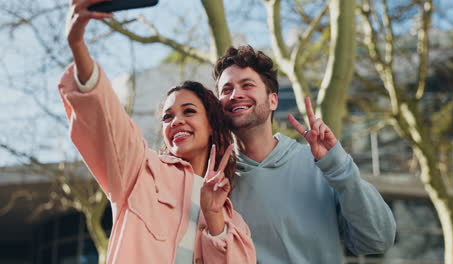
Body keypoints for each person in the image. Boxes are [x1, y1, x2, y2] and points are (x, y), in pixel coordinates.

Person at [58, 1, 255, 263]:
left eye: (189, 111)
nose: (176, 122)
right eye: (167, 116)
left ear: (212, 126)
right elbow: (108, 120)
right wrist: (77, 45)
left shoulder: (235, 223)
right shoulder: (139, 172)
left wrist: (214, 218)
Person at [213, 45, 396, 263]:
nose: (236, 95)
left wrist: (338, 167)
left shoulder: (322, 164)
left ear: (273, 100)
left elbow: (377, 240)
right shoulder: (214, 181)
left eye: (247, 85)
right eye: (226, 90)